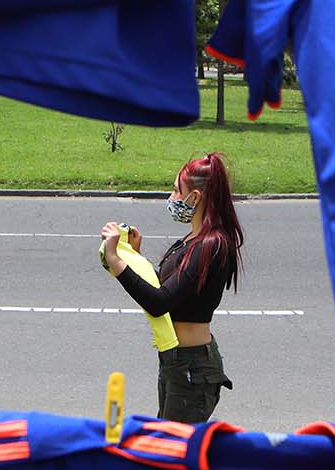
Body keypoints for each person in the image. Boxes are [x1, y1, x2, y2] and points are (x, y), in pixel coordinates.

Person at [100, 153, 243, 423]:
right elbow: (170, 292)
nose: (172, 196)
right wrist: (135, 257)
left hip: (192, 368)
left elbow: (159, 303)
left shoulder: (211, 245)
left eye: (177, 190)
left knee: (172, 446)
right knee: (166, 441)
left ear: (195, 197)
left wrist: (115, 261)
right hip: (176, 362)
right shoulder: (193, 240)